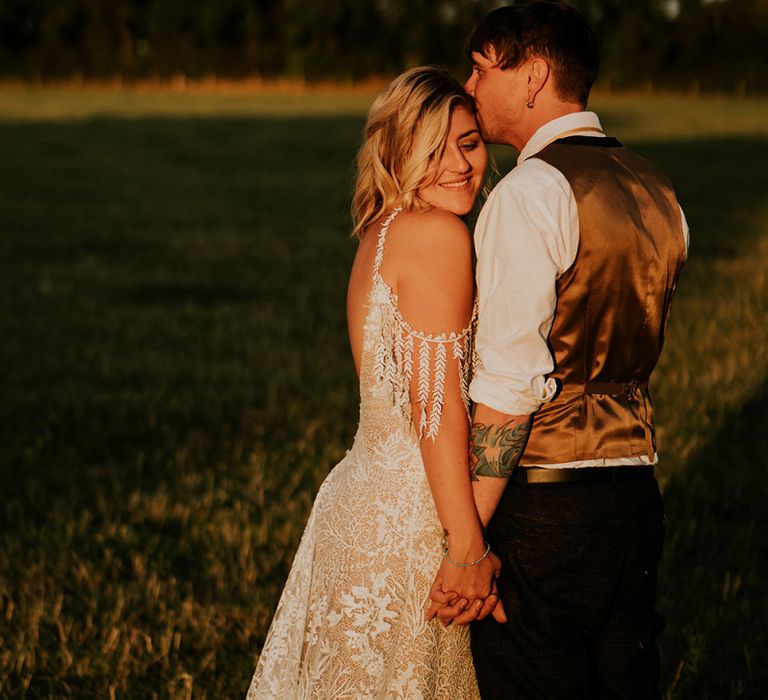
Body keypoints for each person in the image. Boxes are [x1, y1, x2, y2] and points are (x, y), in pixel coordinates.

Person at [429, 2, 689, 698]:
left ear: (534, 74)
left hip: (548, 503)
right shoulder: (657, 189)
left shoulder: (529, 193)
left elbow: (510, 387)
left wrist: (466, 549)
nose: (471, 85)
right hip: (636, 495)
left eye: (483, 67)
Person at [246, 66, 504, 699]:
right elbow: (436, 413)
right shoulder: (440, 236)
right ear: (398, 152)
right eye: (433, 149)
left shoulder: (381, 231)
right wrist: (468, 550)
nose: (458, 165)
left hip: (355, 505)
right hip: (408, 525)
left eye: (468, 143)